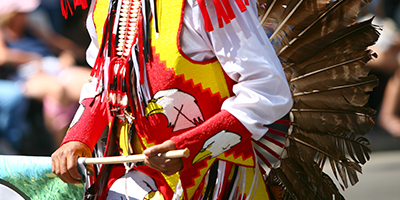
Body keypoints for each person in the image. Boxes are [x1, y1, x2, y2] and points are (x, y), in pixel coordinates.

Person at [51, 0, 292, 199]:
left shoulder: (209, 4)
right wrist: (78, 139)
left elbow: (267, 88)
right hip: (130, 180)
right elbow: (104, 80)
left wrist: (193, 145)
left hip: (211, 179)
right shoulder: (106, 5)